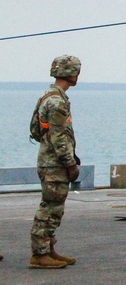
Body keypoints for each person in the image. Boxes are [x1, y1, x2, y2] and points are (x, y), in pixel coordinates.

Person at [28, 55, 82, 269]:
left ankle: (48, 249)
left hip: (47, 160)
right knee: (50, 207)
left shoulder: (46, 97)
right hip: (55, 164)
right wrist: (70, 163)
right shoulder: (58, 102)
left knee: (53, 206)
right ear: (71, 74)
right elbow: (60, 137)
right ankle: (39, 254)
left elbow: (35, 130)